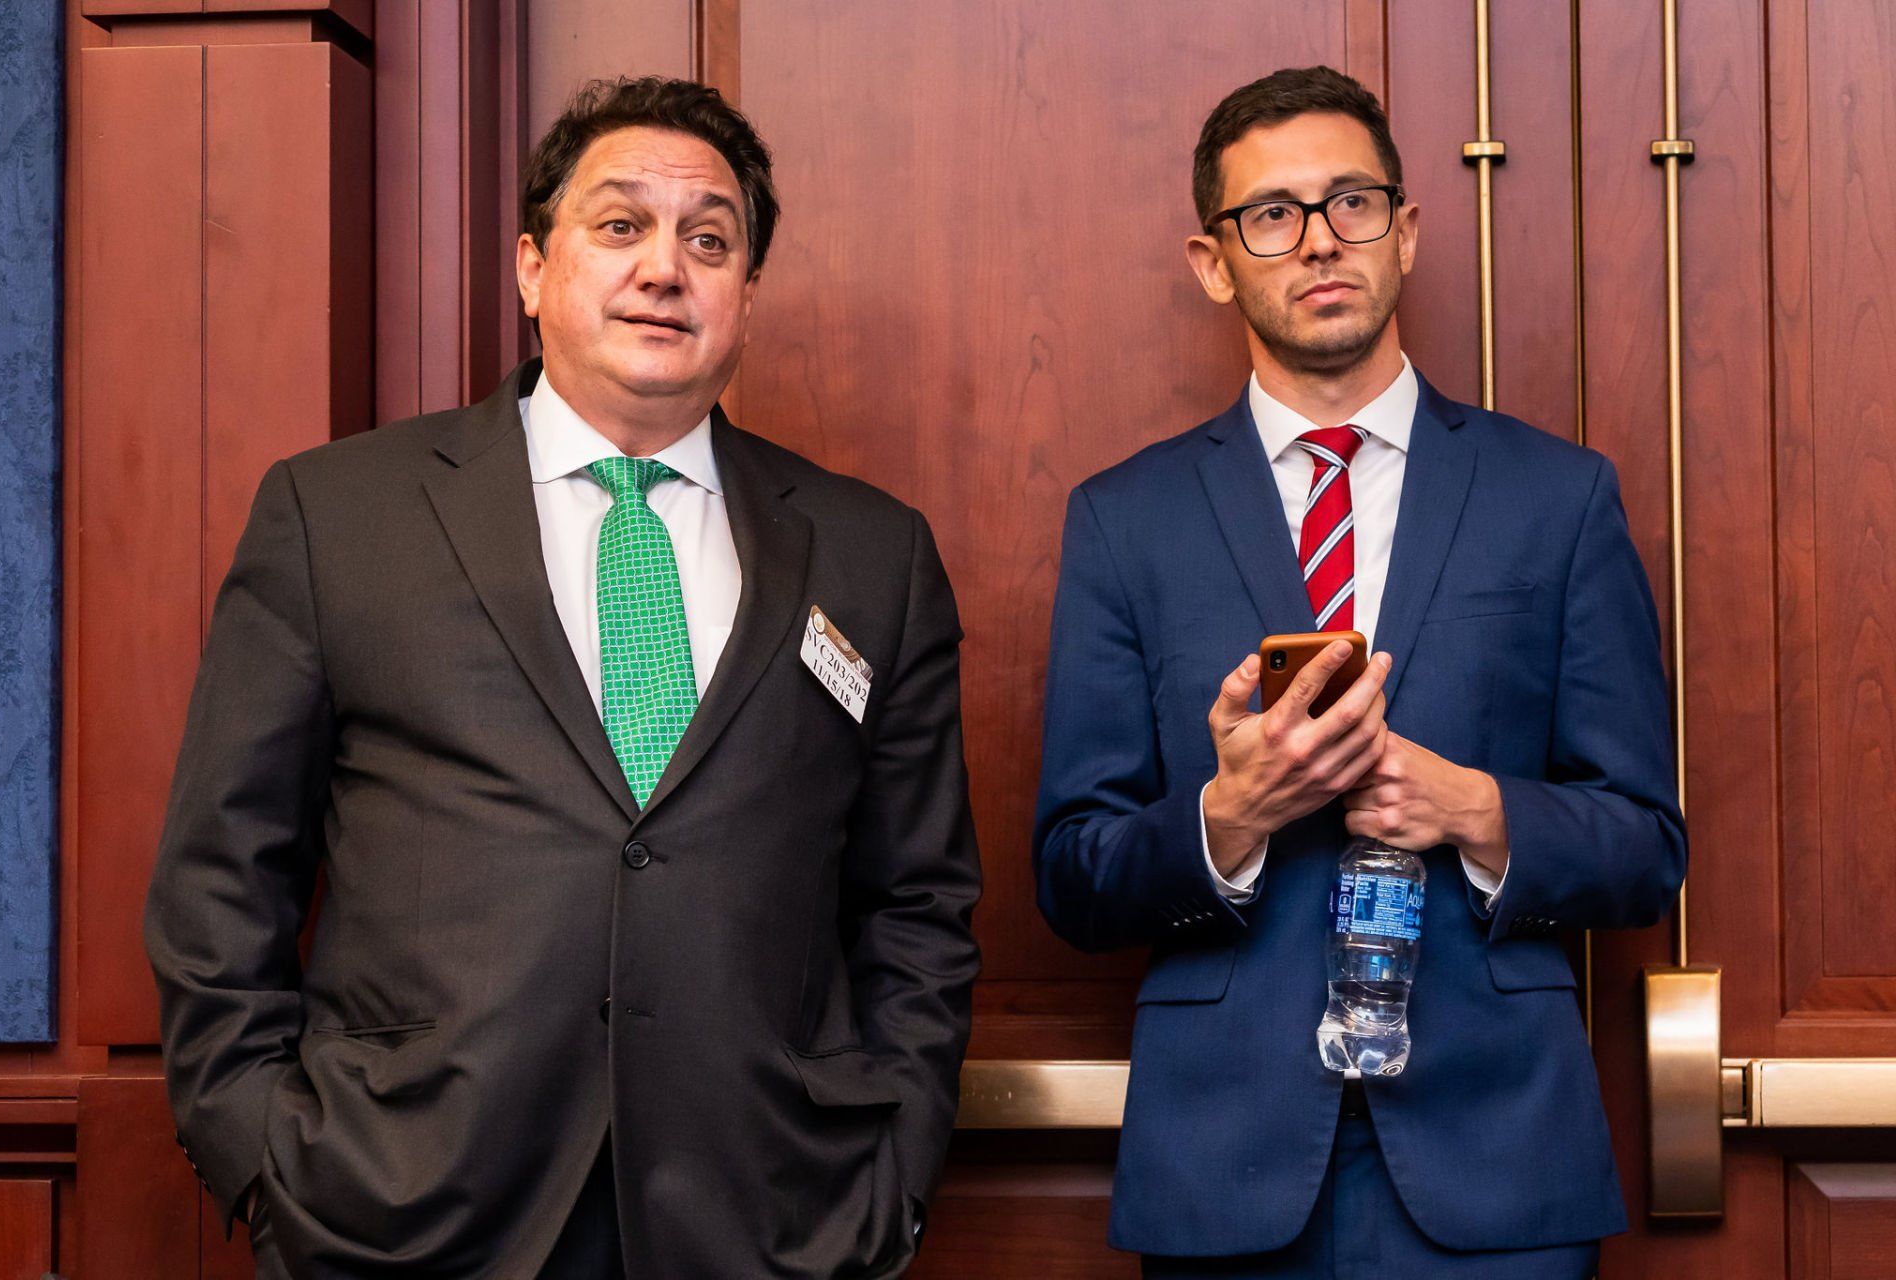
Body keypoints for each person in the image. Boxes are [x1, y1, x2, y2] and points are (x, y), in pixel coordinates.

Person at [146, 76, 980, 1279]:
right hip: (403, 1213)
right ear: (533, 268)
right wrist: (269, 1163)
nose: (665, 267)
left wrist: (890, 1182)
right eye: (621, 225)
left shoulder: (869, 552)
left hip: (769, 1219)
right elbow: (220, 875)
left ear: (746, 292)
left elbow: (919, 902)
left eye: (709, 238)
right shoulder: (339, 515)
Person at [1032, 65, 1685, 1278]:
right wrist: (1229, 819)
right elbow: (1073, 870)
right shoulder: (1125, 520)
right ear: (1212, 260)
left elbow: (1646, 840)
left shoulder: (1559, 497)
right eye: (1271, 214)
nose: (1320, 241)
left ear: (1409, 231)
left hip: (1499, 1165)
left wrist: (1476, 810)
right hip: (1223, 1168)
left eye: (1353, 203)